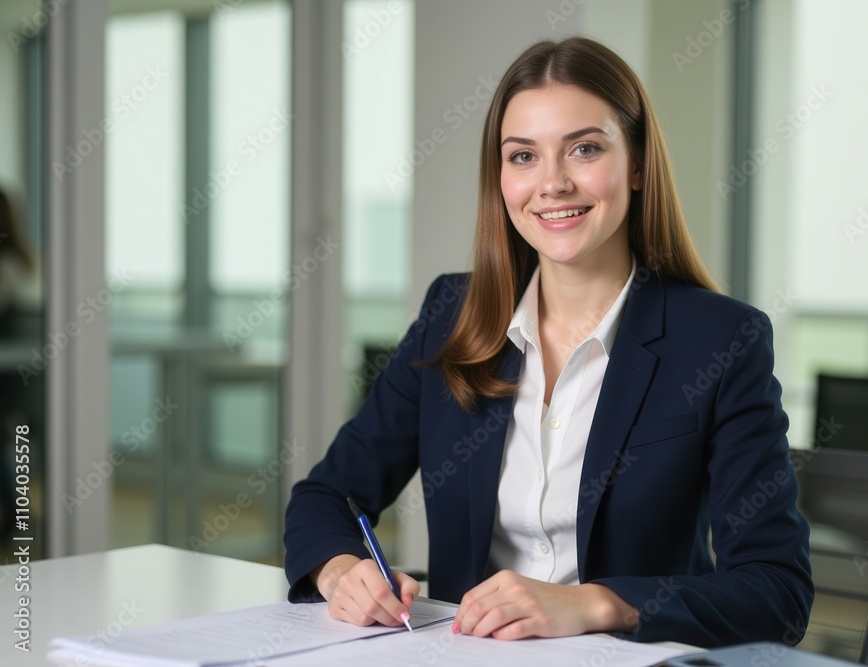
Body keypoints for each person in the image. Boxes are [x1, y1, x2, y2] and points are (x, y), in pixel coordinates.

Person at [284, 36, 813, 646]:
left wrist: (595, 604)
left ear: (637, 164)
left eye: (584, 149)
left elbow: (778, 591)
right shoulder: (450, 315)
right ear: (501, 176)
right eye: (523, 156)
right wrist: (343, 572)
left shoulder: (721, 340)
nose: (552, 183)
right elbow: (326, 495)